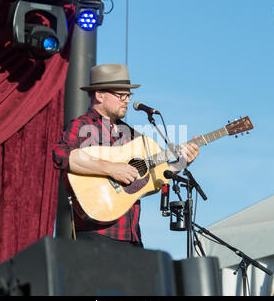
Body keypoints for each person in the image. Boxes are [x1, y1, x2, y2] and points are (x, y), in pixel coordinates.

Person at [52, 64, 199, 248]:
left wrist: (181, 162)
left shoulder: (132, 135)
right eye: (121, 95)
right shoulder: (82, 126)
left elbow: (156, 174)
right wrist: (112, 169)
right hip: (95, 234)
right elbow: (61, 154)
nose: (127, 100)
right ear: (100, 95)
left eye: (129, 95)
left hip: (131, 236)